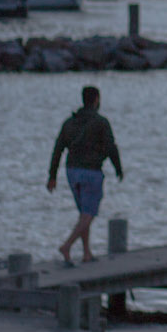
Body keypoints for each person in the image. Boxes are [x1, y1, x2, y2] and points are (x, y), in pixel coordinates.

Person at [47, 85, 124, 266]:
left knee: (83, 213)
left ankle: (87, 253)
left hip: (72, 171)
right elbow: (111, 147)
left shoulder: (69, 123)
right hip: (91, 172)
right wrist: (118, 168)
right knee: (88, 214)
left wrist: (52, 176)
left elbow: (57, 150)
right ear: (96, 100)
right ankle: (66, 246)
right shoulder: (100, 122)